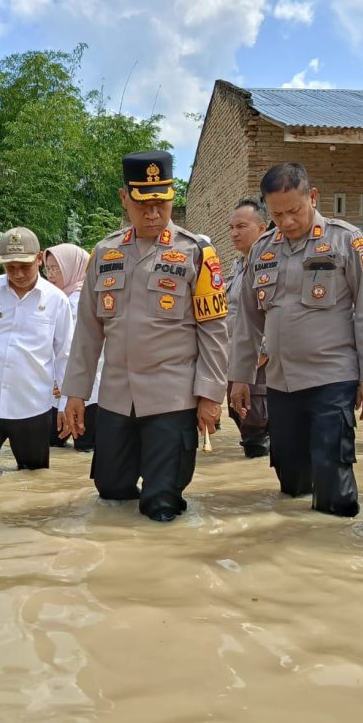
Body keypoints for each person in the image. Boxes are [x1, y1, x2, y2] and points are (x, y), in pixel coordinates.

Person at [61, 150, 229, 522]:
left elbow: (214, 331)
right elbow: (88, 331)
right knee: (111, 493)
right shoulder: (104, 253)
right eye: (143, 205)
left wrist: (211, 396)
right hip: (117, 399)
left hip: (173, 399)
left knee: (161, 504)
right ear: (125, 199)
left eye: (161, 204)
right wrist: (76, 393)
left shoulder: (196, 253)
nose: (153, 214)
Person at [229, 162, 363, 517]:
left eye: (294, 211)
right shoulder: (262, 249)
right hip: (281, 383)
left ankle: (334, 550)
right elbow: (248, 321)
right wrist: (241, 376)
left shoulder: (347, 241)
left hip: (333, 378)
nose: (286, 222)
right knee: (291, 479)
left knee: (333, 477)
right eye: (277, 214)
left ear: (312, 197)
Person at [0, 227, 74, 481]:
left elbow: (65, 355)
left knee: (34, 481)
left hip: (33, 407)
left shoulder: (56, 300)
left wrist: (63, 404)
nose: (17, 273)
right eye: (10, 267)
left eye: (24, 266)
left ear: (39, 258)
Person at [225, 199, 271, 458]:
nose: (234, 233)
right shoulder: (237, 266)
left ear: (262, 227)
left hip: (260, 365)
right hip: (236, 362)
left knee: (258, 428)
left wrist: (261, 354)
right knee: (243, 421)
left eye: (241, 226)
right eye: (231, 227)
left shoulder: (270, 265)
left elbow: (271, 314)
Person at [44, 242, 101, 452]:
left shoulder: (81, 301)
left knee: (83, 447)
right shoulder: (55, 299)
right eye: (47, 269)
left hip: (86, 392)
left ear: (71, 268)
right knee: (53, 446)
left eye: (55, 269)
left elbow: (77, 350)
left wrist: (64, 384)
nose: (50, 275)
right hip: (57, 391)